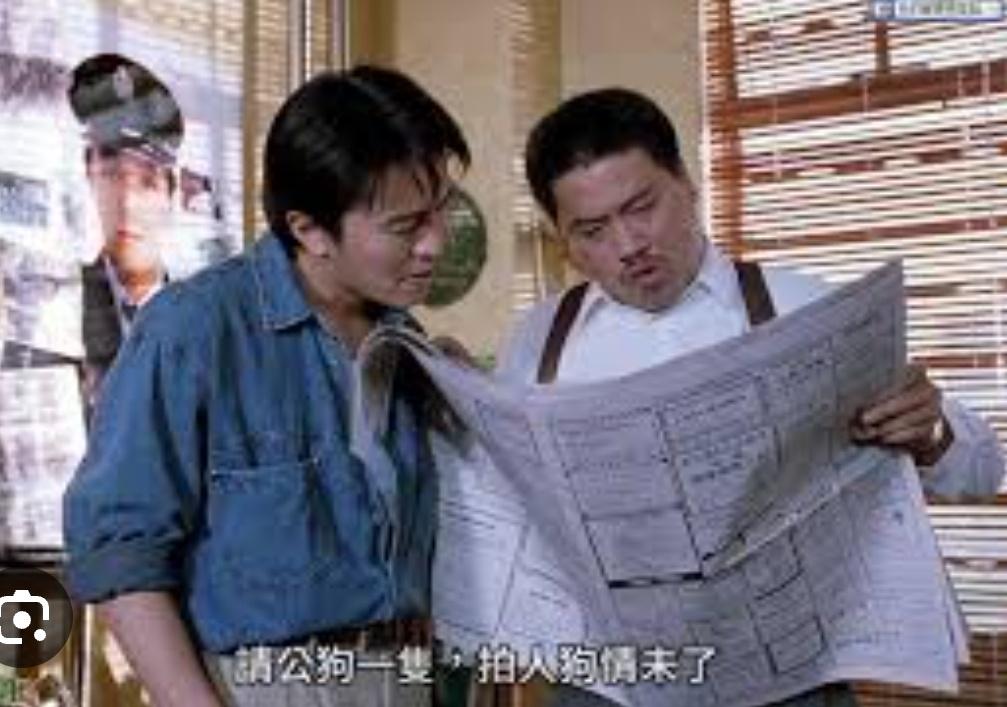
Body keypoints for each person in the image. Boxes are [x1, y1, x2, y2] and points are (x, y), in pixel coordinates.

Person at [494, 88, 1005, 706]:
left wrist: (930, 434)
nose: (628, 245)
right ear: (562, 241)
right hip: (606, 683)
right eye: (592, 230)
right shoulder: (536, 343)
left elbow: (981, 471)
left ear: (686, 183)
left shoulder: (807, 310)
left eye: (642, 207)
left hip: (787, 677)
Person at [63, 65, 470, 707]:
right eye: (406, 226)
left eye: (440, 210)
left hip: (404, 679)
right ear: (309, 230)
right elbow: (119, 554)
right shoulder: (196, 329)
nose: (435, 244)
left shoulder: (406, 343)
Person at [67, 53, 182, 401]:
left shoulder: (204, 320)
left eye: (147, 182)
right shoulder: (57, 312)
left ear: (170, 193)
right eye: (112, 175)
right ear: (89, 174)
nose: (127, 203)